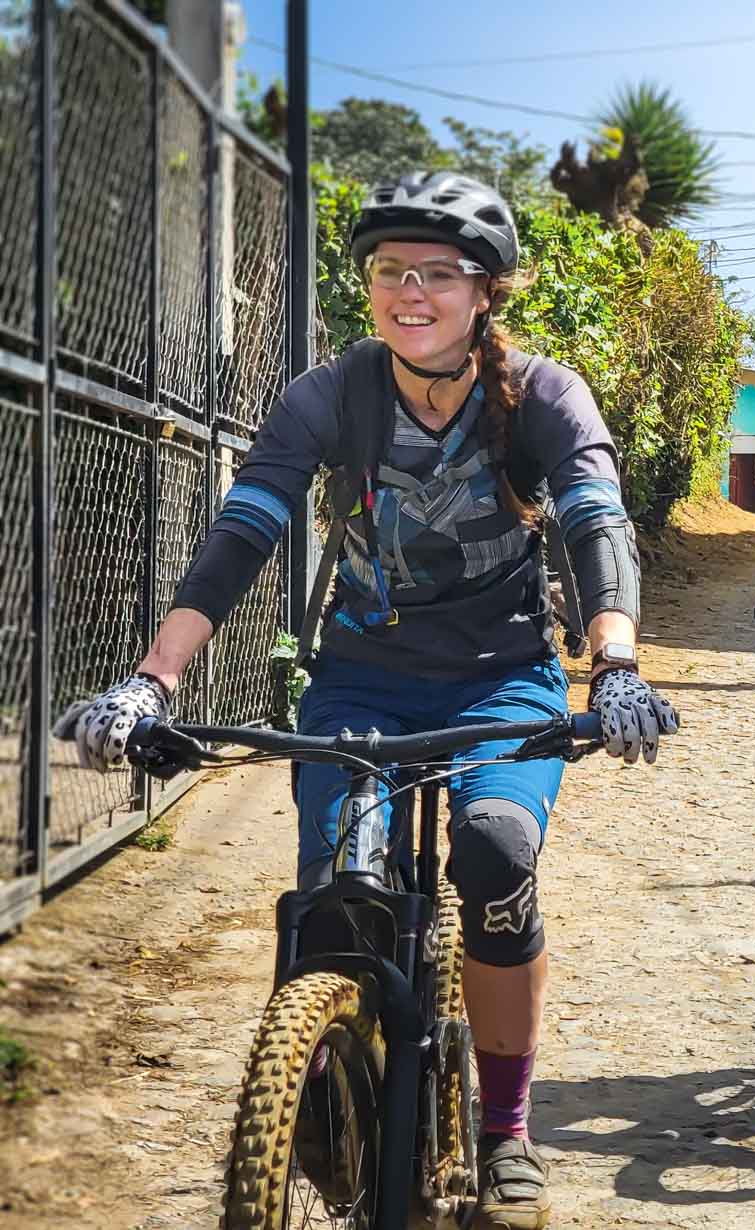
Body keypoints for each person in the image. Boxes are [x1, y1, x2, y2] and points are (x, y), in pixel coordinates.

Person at [53, 171, 679, 1229]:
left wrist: (614, 662)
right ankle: (324, 1081)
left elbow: (594, 525)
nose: (410, 292)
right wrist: (152, 677)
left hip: (505, 681)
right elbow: (242, 533)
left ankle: (505, 1130)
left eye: (439, 273)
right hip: (363, 678)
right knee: (338, 892)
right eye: (391, 272)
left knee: (490, 854)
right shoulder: (331, 395)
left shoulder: (543, 396)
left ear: (488, 293)